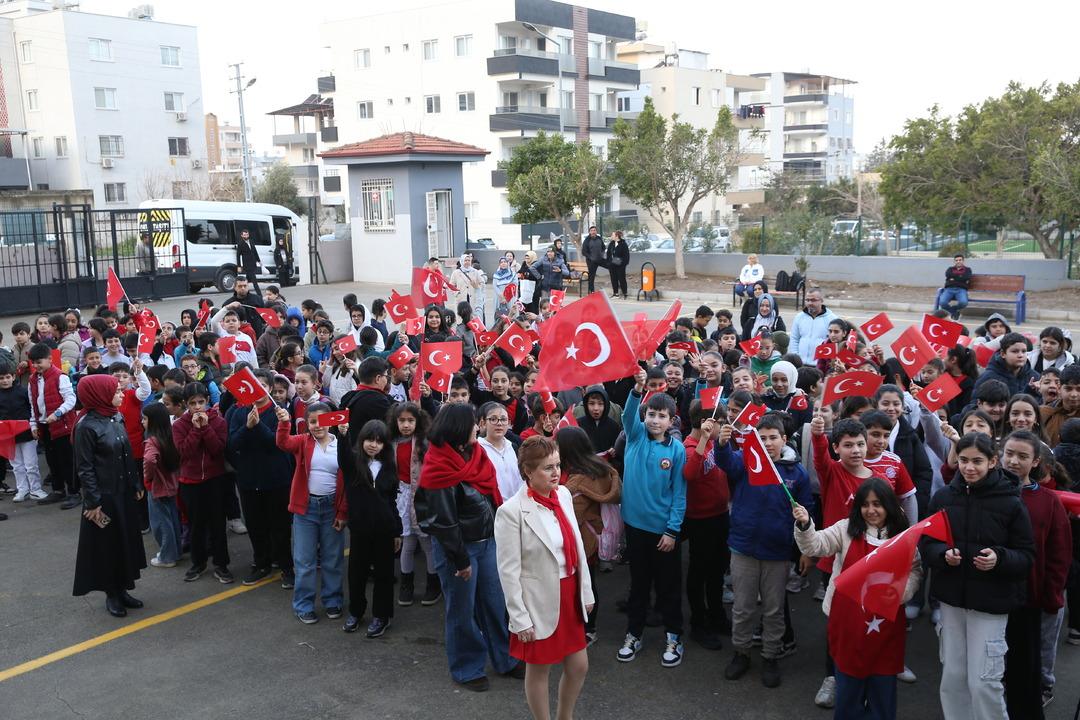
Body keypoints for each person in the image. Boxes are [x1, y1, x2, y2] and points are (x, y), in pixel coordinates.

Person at [920, 432, 1034, 720]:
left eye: (978, 461)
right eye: (964, 460)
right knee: (954, 678)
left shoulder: (1011, 502)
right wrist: (942, 555)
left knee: (984, 682)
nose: (969, 467)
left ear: (993, 461)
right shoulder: (943, 497)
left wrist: (1000, 558)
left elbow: (1026, 555)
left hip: (991, 605)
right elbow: (927, 543)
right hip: (951, 601)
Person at [793, 478, 922, 720]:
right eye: (865, 504)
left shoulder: (902, 537)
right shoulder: (845, 528)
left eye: (878, 504)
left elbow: (915, 570)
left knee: (882, 693)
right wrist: (805, 525)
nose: (871, 510)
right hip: (848, 627)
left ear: (889, 506)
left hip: (885, 628)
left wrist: (898, 595)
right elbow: (816, 545)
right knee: (849, 694)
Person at [415, 403, 519, 691]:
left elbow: (490, 495)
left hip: (487, 542)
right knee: (461, 611)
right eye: (474, 423)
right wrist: (460, 560)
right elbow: (443, 522)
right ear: (459, 428)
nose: (478, 426)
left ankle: (506, 659)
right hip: (458, 551)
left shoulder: (476, 454)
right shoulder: (438, 465)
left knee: (495, 603)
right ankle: (467, 667)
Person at [495, 436, 594, 720]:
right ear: (528, 471)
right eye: (547, 468)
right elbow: (508, 571)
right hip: (537, 600)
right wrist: (519, 618)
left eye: (558, 465)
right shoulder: (510, 512)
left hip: (569, 592)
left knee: (579, 665)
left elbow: (576, 546)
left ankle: (566, 716)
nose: (555, 473)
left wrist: (585, 593)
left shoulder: (562, 494)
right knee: (539, 669)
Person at [715, 414, 812, 689]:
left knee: (773, 610)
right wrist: (722, 444)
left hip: (777, 551)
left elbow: (807, 512)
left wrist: (804, 520)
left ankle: (771, 655)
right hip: (743, 545)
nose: (768, 443)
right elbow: (726, 462)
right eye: (763, 438)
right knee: (743, 607)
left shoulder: (797, 473)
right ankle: (741, 652)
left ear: (784, 439)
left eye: (773, 438)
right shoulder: (747, 461)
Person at [616, 368, 687, 668]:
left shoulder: (677, 449)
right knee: (639, 585)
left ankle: (674, 636)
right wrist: (637, 389)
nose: (656, 420)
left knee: (669, 587)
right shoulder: (634, 438)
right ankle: (634, 633)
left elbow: (679, 493)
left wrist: (672, 531)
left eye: (662, 416)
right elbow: (627, 414)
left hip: (663, 533)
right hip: (635, 529)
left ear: (672, 421)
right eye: (652, 414)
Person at [998, 431, 1072, 720]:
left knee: (1023, 668)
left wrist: (1052, 595)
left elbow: (1059, 553)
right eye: (1009, 454)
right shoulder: (982, 493)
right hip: (988, 597)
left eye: (1022, 456)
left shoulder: (1048, 501)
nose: (1014, 461)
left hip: (1028, 598)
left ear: (1035, 461)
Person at [72, 374, 146, 617]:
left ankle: (124, 588)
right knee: (107, 546)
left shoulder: (116, 416)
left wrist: (135, 484)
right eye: (116, 391)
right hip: (104, 498)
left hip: (123, 492)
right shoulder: (86, 426)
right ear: (100, 395)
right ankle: (111, 593)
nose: (122, 394)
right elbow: (85, 468)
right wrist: (93, 502)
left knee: (124, 541)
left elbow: (126, 453)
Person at [275, 401, 348, 624]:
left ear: (332, 421)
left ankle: (333, 600)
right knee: (304, 561)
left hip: (331, 510)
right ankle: (304, 605)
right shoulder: (303, 442)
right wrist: (284, 422)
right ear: (306, 423)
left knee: (332, 559)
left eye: (322, 420)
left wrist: (342, 513)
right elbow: (283, 443)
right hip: (305, 510)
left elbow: (348, 481)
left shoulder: (342, 444)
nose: (317, 426)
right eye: (312, 421)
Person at [226, 368, 295, 587]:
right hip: (249, 479)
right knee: (255, 525)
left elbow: (278, 444)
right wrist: (247, 427)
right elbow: (232, 444)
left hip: (276, 479)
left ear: (270, 388)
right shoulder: (239, 412)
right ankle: (261, 562)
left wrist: (257, 427)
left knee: (280, 526)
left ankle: (286, 566)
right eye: (252, 385)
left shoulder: (280, 411)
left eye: (262, 385)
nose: (257, 391)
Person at [555, 426, 621, 644]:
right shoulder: (599, 467)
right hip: (592, 537)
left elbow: (567, 511)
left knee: (580, 585)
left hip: (579, 538)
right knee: (588, 581)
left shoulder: (578, 478)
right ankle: (588, 626)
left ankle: (586, 627)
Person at [340, 419, 402, 638]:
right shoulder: (353, 464)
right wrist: (342, 436)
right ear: (361, 440)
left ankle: (381, 616)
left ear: (385, 444)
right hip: (360, 530)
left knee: (384, 576)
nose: (373, 445)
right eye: (369, 440)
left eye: (378, 441)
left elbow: (392, 502)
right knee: (356, 574)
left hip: (385, 530)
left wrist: (397, 531)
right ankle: (356, 612)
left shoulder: (388, 467)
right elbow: (343, 456)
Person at [172, 382, 233, 583]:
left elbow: (217, 449)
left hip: (215, 480)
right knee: (196, 524)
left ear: (207, 401)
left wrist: (206, 428)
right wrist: (196, 431)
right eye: (192, 403)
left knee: (217, 523)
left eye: (201, 402)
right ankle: (198, 562)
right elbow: (184, 452)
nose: (198, 407)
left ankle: (221, 564)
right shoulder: (180, 425)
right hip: (190, 481)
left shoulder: (219, 421)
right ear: (185, 404)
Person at [27, 342, 78, 507]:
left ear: (50, 359)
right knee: (52, 460)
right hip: (44, 425)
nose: (36, 365)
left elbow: (71, 399)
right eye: (33, 362)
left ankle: (74, 492)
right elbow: (33, 404)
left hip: (61, 425)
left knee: (67, 460)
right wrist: (34, 425)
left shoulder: (60, 376)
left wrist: (57, 413)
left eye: (39, 361)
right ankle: (58, 490)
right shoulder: (32, 380)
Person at [141, 403, 182, 568]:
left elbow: (150, 460)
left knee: (160, 523)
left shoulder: (152, 441)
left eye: (144, 419)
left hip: (158, 487)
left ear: (153, 421)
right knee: (172, 520)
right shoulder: (170, 434)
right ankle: (175, 551)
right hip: (173, 484)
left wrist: (147, 476)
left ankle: (167, 556)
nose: (142, 422)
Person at [789, 289, 839, 364]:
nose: (810, 303)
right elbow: (794, 339)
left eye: (813, 300)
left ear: (821, 301)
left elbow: (835, 343)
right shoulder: (799, 317)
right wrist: (796, 357)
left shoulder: (832, 319)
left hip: (820, 366)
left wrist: (824, 362)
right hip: (800, 364)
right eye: (807, 300)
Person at [936, 254, 972, 320]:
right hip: (949, 289)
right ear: (954, 262)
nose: (958, 261)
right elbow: (948, 274)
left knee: (963, 303)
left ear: (963, 261)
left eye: (960, 260)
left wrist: (953, 278)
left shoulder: (968, 269)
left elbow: (967, 277)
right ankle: (955, 312)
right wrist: (961, 277)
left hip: (961, 290)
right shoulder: (950, 269)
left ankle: (952, 311)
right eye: (956, 260)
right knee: (942, 302)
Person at [236, 228, 262, 294]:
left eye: (247, 234)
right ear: (242, 236)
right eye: (244, 235)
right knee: (254, 280)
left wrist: (259, 260)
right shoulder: (240, 244)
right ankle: (259, 294)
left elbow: (255, 251)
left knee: (247, 280)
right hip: (247, 264)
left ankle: (243, 293)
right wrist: (239, 266)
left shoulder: (251, 241)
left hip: (253, 263)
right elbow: (238, 255)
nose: (246, 236)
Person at [581, 225, 606, 294]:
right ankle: (591, 291)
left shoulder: (599, 238)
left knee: (612, 267)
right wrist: (591, 258)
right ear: (589, 232)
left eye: (594, 230)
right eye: (591, 231)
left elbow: (603, 247)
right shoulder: (587, 240)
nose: (593, 232)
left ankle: (616, 288)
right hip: (591, 262)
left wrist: (602, 254)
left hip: (600, 259)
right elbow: (584, 252)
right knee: (591, 276)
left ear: (596, 231)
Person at [606, 230, 630, 299]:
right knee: (613, 279)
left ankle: (625, 293)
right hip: (612, 265)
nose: (611, 236)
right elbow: (608, 254)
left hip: (620, 265)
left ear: (617, 236)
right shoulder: (611, 243)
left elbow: (626, 256)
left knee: (622, 279)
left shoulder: (623, 244)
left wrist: (623, 264)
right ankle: (615, 293)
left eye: (612, 235)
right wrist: (608, 263)